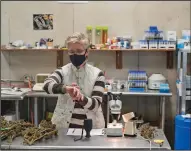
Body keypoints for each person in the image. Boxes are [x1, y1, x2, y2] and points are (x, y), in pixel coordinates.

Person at [43, 32, 105, 129]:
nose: (75, 55)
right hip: (63, 127)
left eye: (79, 51)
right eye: (71, 52)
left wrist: (80, 98)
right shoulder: (62, 71)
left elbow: (95, 105)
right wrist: (65, 89)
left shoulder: (97, 74)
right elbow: (47, 85)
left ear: (87, 52)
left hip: (91, 128)